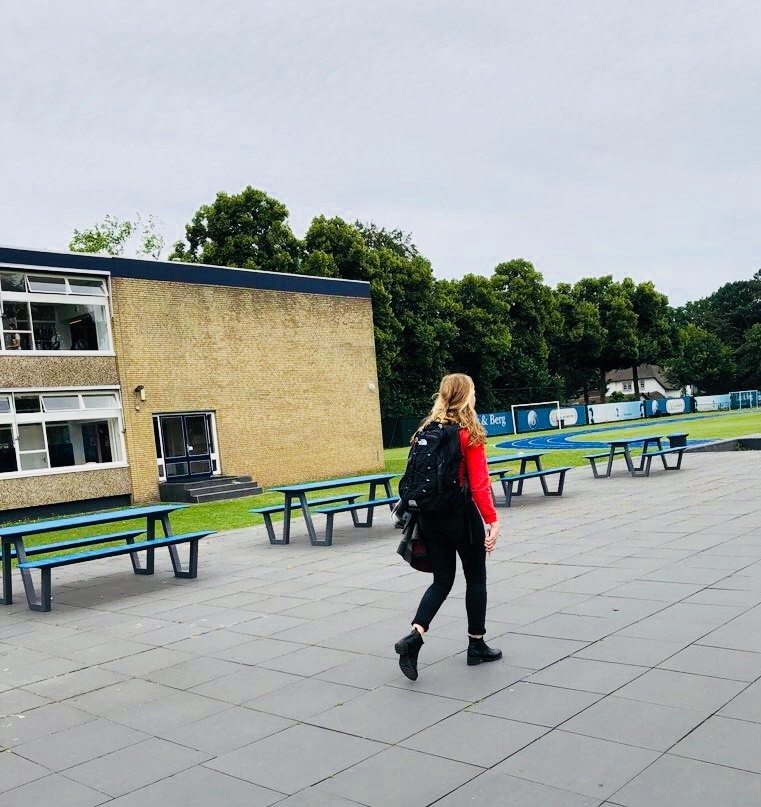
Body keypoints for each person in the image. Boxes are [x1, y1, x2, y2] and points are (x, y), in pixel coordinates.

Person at [395, 373, 501, 681]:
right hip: (460, 515)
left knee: (442, 581)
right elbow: (480, 484)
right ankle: (476, 645)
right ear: (467, 396)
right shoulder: (468, 433)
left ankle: (415, 635)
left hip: (428, 515)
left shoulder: (424, 430)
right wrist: (491, 521)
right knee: (476, 578)